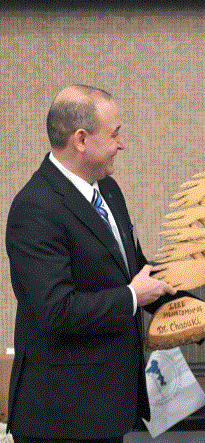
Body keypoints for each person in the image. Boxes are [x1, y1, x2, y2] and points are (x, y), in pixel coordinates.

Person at [5, 85, 180, 443]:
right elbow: (57, 310)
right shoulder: (35, 208)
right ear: (81, 139)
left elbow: (138, 273)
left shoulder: (109, 191)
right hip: (61, 419)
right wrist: (131, 297)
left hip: (108, 411)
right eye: (114, 134)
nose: (121, 144)